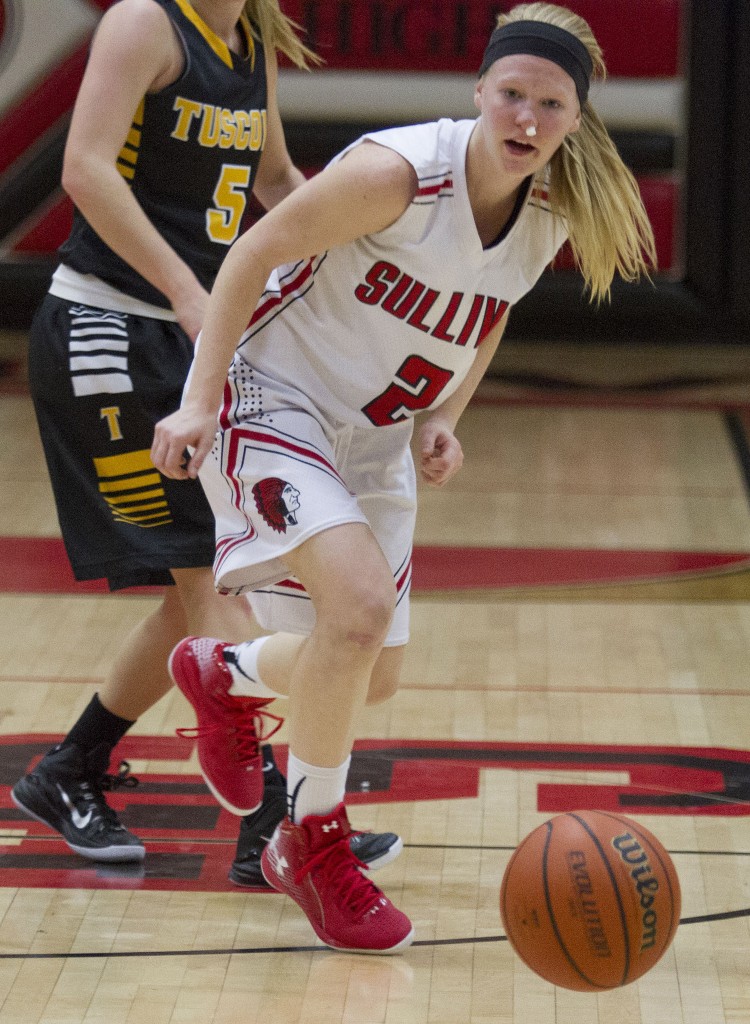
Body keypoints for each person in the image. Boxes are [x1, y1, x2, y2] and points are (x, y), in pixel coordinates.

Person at [151, 1, 656, 953]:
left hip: (376, 435)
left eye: (550, 104)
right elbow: (253, 252)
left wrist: (444, 416)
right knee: (357, 612)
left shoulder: (550, 208)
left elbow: (491, 308)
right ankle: (314, 846)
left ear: (576, 120)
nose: (526, 119)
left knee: (369, 675)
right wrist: (195, 399)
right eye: (512, 95)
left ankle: (225, 672)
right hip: (274, 396)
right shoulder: (400, 174)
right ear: (478, 92)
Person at [11, 0, 400, 881]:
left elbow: (272, 182)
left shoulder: (251, 42)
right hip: (107, 333)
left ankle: (69, 768)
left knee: (199, 590)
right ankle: (276, 825)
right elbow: (83, 170)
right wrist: (191, 288)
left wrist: (363, 266)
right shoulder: (146, 22)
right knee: (208, 582)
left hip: (186, 345)